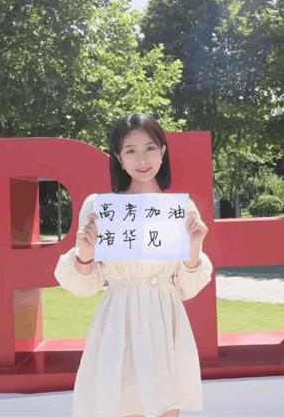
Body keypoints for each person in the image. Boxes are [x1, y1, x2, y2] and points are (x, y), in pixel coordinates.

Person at [54, 112, 213, 417]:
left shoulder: (182, 210)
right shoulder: (99, 207)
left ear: (162, 152)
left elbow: (186, 288)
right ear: (119, 157)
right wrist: (85, 254)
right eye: (131, 150)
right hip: (119, 319)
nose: (142, 159)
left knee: (166, 405)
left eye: (150, 148)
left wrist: (193, 249)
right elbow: (84, 285)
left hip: (165, 319)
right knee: (122, 402)